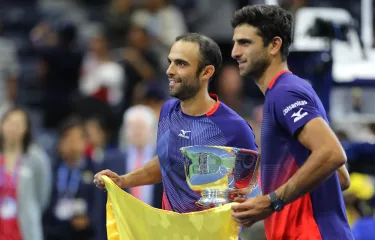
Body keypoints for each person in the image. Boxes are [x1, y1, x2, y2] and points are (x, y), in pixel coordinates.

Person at [94, 32, 259, 214]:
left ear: (206, 72)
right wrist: (123, 181)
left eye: (181, 64)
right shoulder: (168, 111)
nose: (170, 70)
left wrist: (242, 200)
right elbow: (167, 162)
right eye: (170, 62)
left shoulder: (235, 126)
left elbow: (254, 187)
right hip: (172, 230)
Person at [230, 5, 353, 240]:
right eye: (236, 43)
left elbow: (332, 154)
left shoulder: (285, 93)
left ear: (274, 45)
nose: (235, 52)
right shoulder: (292, 89)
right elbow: (340, 178)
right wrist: (263, 200)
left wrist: (272, 201)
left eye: (245, 43)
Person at [0, 107, 52, 240]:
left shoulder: (37, 157)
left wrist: (30, 210)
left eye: (18, 124)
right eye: (9, 122)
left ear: (26, 129)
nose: (13, 128)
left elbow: (43, 196)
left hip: (24, 229)